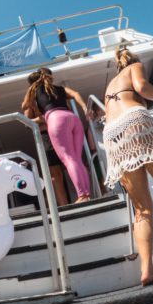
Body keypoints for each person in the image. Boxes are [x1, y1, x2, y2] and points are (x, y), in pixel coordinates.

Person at [103, 47, 153, 286]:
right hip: (135, 122)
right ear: (132, 60)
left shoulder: (111, 84)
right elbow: (142, 88)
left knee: (142, 210)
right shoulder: (135, 67)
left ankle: (146, 272)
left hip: (112, 134)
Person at [21, 68, 92, 203]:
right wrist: (84, 107)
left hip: (55, 119)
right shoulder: (58, 89)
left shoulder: (35, 91)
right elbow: (75, 93)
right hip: (72, 117)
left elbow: (24, 105)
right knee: (77, 159)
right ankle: (86, 194)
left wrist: (31, 91)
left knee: (69, 159)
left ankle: (82, 195)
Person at [23, 76, 69, 207]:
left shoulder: (54, 94)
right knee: (56, 173)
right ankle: (64, 205)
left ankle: (79, 197)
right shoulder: (31, 100)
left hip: (60, 133)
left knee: (69, 167)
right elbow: (26, 122)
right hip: (46, 136)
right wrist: (42, 119)